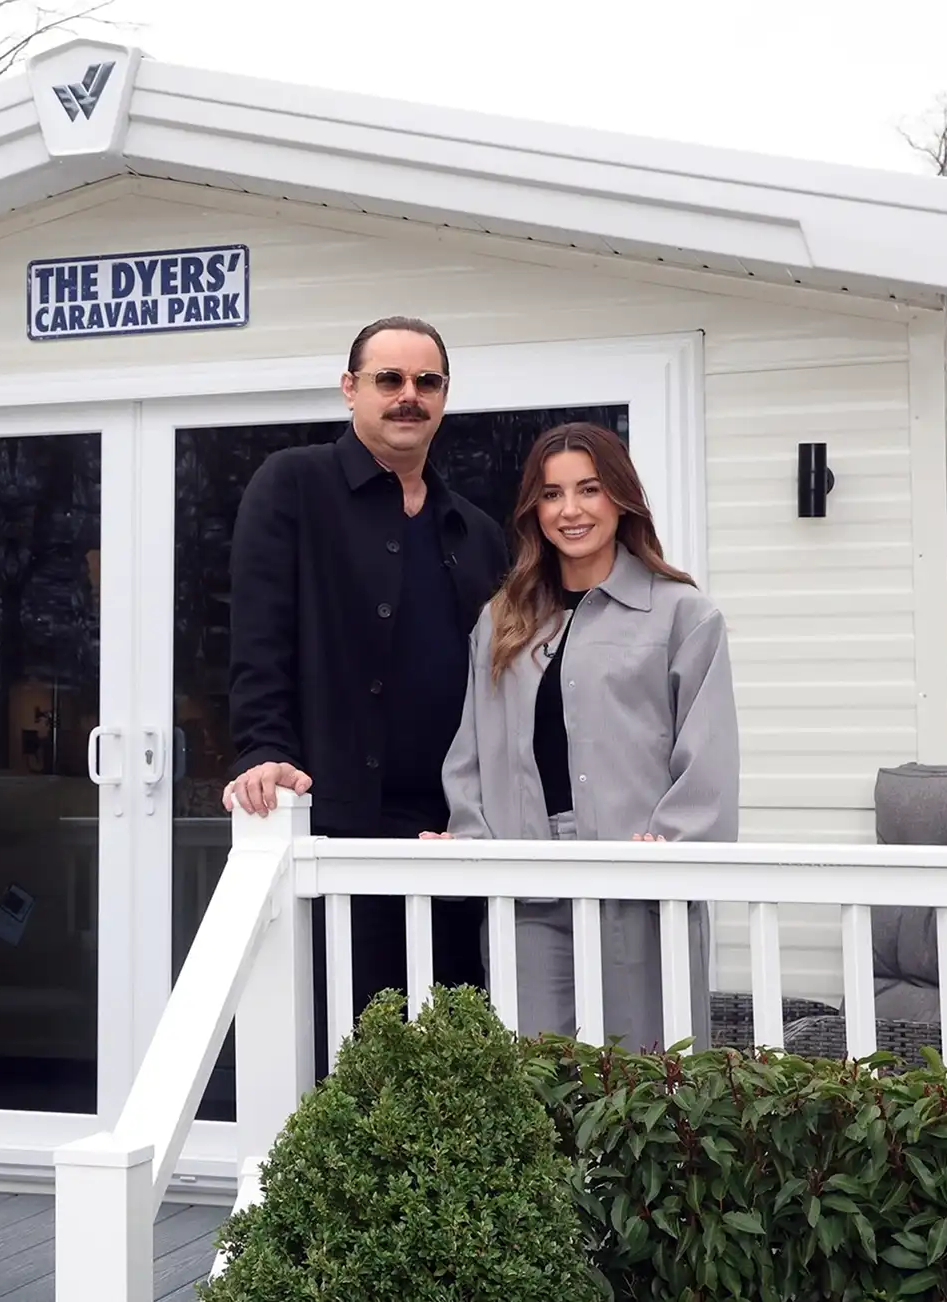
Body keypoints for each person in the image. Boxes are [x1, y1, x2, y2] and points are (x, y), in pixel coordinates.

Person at [224, 315, 510, 1030]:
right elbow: (260, 636)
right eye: (390, 379)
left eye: (427, 381)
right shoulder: (293, 485)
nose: (408, 395)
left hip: (448, 838)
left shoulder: (474, 530)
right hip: (337, 827)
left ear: (445, 396)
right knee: (342, 1040)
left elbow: (503, 687)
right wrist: (263, 750)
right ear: (351, 390)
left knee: (450, 1045)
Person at [431, 421, 738, 1050]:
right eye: (551, 494)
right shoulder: (504, 619)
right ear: (533, 509)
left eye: (589, 489)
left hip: (638, 885)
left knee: (649, 1081)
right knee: (533, 1078)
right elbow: (470, 749)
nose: (570, 510)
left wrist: (674, 847)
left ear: (620, 498)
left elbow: (708, 756)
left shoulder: (682, 613)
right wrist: (471, 837)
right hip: (527, 885)